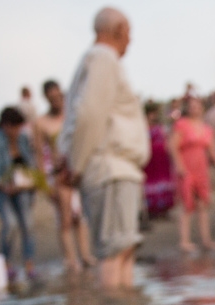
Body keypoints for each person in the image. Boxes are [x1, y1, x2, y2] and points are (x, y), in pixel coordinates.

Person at [60, 7, 150, 288]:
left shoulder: (96, 61)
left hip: (114, 169)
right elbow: (89, 114)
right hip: (110, 168)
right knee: (115, 251)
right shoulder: (103, 58)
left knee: (123, 249)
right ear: (119, 29)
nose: (131, 41)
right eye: (130, 33)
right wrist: (76, 164)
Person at [33, 80, 95, 271]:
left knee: (81, 216)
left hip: (75, 170)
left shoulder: (70, 116)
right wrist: (44, 184)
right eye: (52, 98)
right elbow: (38, 155)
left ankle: (85, 255)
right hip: (57, 175)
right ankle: (70, 258)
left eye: (59, 96)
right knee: (65, 217)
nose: (56, 100)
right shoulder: (41, 123)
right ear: (46, 98)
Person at [169, 96, 215, 253]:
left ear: (202, 108)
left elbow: (213, 152)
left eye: (197, 106)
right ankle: (184, 241)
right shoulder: (181, 124)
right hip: (186, 168)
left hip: (201, 169)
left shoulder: (206, 129)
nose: (194, 109)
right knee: (186, 206)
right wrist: (179, 166)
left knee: (203, 205)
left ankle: (206, 240)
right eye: (191, 106)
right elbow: (172, 146)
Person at [0, 107, 37, 281]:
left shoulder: (22, 139)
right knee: (11, 224)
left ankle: (29, 264)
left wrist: (29, 182)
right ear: (6, 126)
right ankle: (6, 264)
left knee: (27, 224)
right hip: (0, 189)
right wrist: (5, 186)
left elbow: (31, 165)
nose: (19, 131)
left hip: (22, 188)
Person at [142, 101, 174, 218]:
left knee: (162, 181)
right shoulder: (143, 128)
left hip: (161, 159)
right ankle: (152, 208)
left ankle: (164, 207)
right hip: (150, 159)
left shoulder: (160, 127)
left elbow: (167, 139)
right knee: (151, 182)